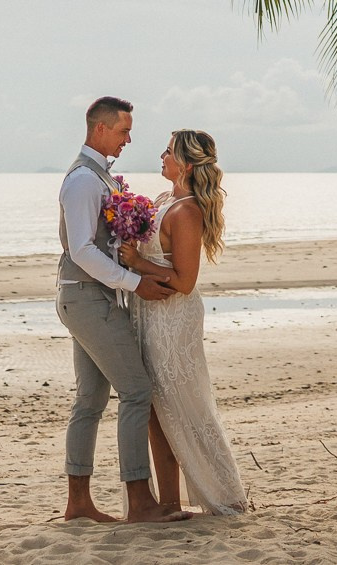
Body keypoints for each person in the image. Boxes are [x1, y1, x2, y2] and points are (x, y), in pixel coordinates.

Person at [56, 96, 187, 523]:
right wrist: (135, 282)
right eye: (123, 131)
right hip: (87, 297)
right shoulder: (83, 181)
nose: (128, 140)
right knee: (136, 391)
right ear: (100, 128)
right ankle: (140, 501)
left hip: (90, 297)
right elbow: (81, 250)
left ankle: (79, 505)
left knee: (90, 400)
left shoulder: (101, 177)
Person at [117, 129, 248, 515]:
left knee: (183, 405)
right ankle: (170, 502)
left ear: (186, 165)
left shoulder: (187, 211)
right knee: (155, 408)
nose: (162, 155)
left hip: (173, 319)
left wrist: (138, 263)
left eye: (169, 151)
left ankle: (225, 494)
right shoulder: (162, 200)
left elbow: (185, 281)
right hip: (147, 313)